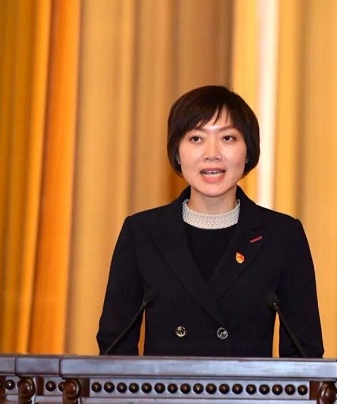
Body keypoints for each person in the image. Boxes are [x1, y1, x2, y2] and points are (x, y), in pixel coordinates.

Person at [97, 85, 324, 358]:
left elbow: (304, 356)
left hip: (246, 387)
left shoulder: (282, 236)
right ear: (177, 152)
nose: (212, 153)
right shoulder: (142, 233)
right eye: (196, 138)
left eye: (228, 138)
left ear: (248, 151)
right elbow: (115, 347)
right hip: (164, 387)